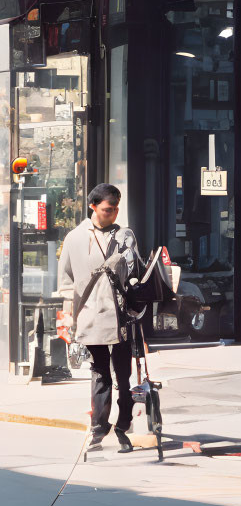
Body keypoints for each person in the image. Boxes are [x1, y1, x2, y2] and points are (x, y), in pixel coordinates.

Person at [57, 183, 143, 453]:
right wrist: (69, 316)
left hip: (120, 316)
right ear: (93, 206)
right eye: (108, 209)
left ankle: (123, 426)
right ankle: (98, 428)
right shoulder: (74, 238)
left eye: (116, 208)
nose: (113, 214)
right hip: (91, 316)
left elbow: (135, 273)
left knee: (124, 375)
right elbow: (65, 281)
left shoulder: (125, 235)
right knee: (100, 373)